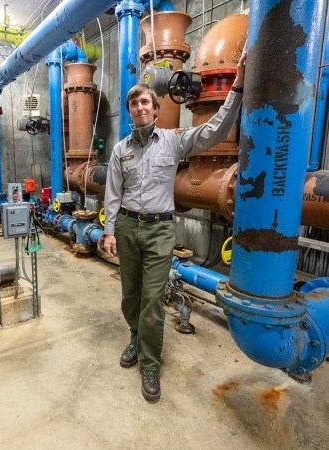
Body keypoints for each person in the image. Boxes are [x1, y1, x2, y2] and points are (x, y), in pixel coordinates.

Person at [101, 46, 247, 403]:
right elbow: (113, 192)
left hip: (159, 230)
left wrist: (237, 89)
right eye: (134, 104)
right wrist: (108, 230)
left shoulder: (174, 141)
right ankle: (136, 337)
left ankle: (150, 362)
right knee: (130, 296)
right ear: (131, 111)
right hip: (127, 229)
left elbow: (213, 130)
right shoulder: (121, 150)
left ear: (156, 109)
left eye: (146, 103)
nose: (140, 108)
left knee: (152, 300)